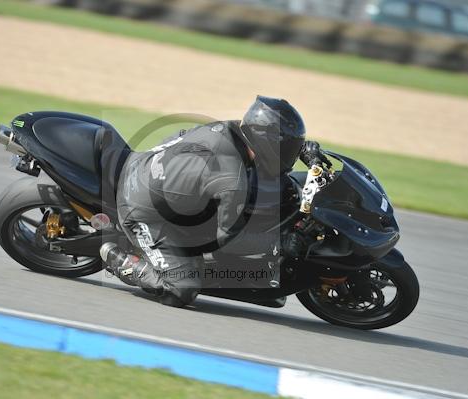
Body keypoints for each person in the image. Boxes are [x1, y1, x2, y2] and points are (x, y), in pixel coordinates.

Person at [100, 96, 329, 307]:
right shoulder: (231, 178)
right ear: (266, 142)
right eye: (287, 148)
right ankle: (117, 258)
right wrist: (280, 243)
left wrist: (304, 153)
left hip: (148, 171)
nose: (289, 153)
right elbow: (229, 239)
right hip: (138, 207)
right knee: (182, 289)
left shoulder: (230, 129)